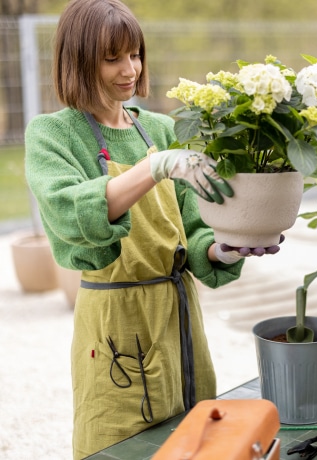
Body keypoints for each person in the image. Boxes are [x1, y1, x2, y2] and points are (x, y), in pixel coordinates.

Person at [24, 0, 279, 458]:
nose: (130, 69)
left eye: (135, 54)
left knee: (195, 438)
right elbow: (68, 213)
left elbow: (195, 228)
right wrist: (155, 167)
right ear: (78, 60)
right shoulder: (52, 135)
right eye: (112, 58)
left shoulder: (160, 128)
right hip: (115, 321)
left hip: (178, 314)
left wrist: (226, 248)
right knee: (120, 442)